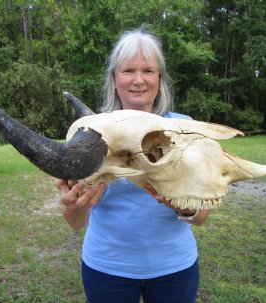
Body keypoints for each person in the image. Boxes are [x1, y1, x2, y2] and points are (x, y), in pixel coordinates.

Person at [56, 27, 210, 303]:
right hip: (106, 269)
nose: (139, 80)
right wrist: (72, 205)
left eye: (148, 71)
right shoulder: (90, 134)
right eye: (128, 70)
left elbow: (200, 218)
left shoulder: (183, 129)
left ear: (159, 79)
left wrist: (185, 207)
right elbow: (76, 223)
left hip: (174, 268)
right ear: (114, 79)